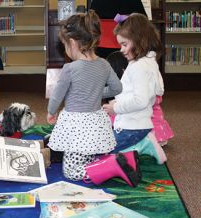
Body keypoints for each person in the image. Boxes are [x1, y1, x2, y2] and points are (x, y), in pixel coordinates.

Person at [47, 11, 141, 187]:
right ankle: (123, 159)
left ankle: (113, 166)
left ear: (73, 43)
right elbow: (117, 88)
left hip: (76, 125)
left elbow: (57, 95)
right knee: (87, 154)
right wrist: (98, 93)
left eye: (65, 45)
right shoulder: (104, 64)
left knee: (72, 172)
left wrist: (51, 112)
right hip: (95, 122)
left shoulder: (70, 68)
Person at [102, 13, 168, 164]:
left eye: (124, 44)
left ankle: (143, 145)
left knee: (104, 149)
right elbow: (158, 90)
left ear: (140, 41)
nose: (121, 50)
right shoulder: (149, 62)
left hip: (132, 126)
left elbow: (140, 100)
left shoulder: (139, 67)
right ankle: (142, 143)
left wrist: (116, 108)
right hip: (138, 124)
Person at [106, 50, 174, 146]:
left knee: (112, 113)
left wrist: (115, 105)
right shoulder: (144, 74)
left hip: (146, 127)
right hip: (154, 127)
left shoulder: (136, 80)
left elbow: (137, 102)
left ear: (122, 71)